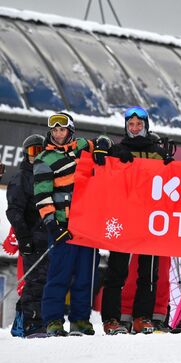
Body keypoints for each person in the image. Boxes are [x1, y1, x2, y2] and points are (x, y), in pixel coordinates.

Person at [33, 112, 111, 336]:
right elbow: (42, 196)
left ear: (70, 131)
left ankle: (80, 319)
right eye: (55, 130)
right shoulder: (44, 160)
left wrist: (102, 146)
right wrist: (52, 225)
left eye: (62, 130)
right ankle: (53, 320)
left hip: (87, 224)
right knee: (60, 274)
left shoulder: (80, 146)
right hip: (63, 227)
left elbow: (102, 142)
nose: (58, 134)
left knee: (86, 274)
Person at [100, 106, 174, 335]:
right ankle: (111, 319)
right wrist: (106, 152)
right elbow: (100, 168)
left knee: (149, 273)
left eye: (138, 125)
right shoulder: (118, 149)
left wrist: (171, 166)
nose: (134, 129)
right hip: (123, 218)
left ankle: (143, 317)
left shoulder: (157, 153)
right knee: (117, 271)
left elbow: (171, 181)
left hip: (149, 220)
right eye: (131, 125)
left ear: (145, 126)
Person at [6, 134, 48, 337]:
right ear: (26, 155)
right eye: (33, 152)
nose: (37, 156)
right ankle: (32, 323)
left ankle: (21, 322)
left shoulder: (48, 174)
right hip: (31, 238)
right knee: (35, 281)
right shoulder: (22, 178)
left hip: (47, 237)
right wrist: (24, 238)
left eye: (41, 151)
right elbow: (13, 211)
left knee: (45, 280)